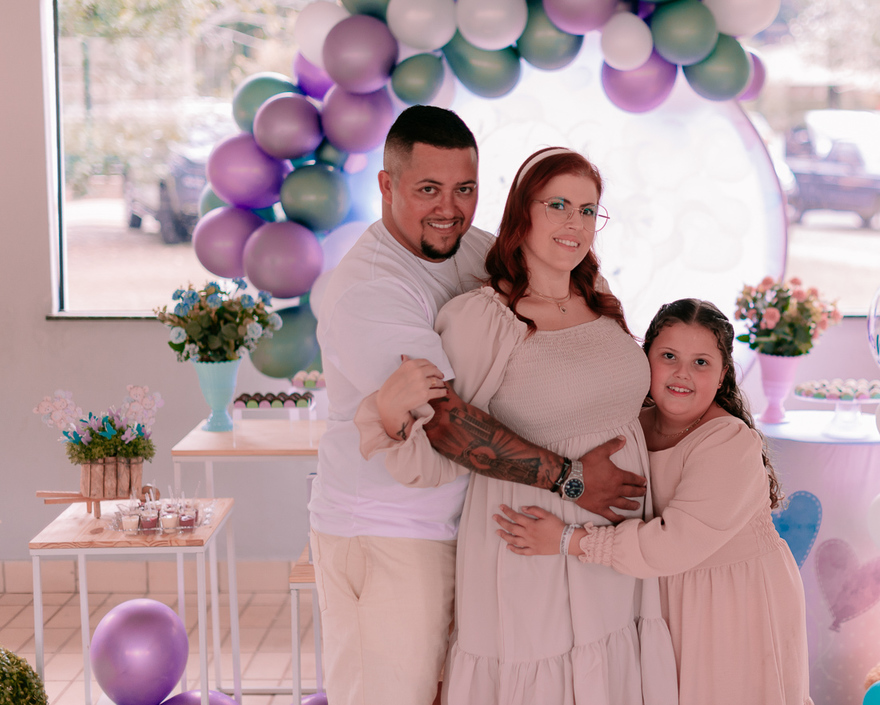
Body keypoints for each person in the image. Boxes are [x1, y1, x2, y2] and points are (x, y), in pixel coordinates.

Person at [310, 111, 646, 705]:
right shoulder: (372, 288)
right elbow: (447, 422)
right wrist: (573, 481)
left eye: (464, 189)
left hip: (472, 527)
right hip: (390, 532)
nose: (449, 208)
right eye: (428, 189)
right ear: (386, 185)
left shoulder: (472, 248)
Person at [494, 298, 814, 705]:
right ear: (645, 359)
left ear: (722, 376)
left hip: (735, 598)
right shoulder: (632, 426)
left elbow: (672, 544)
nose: (682, 373)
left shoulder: (728, 441)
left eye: (701, 362)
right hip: (668, 591)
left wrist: (568, 540)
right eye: (668, 356)